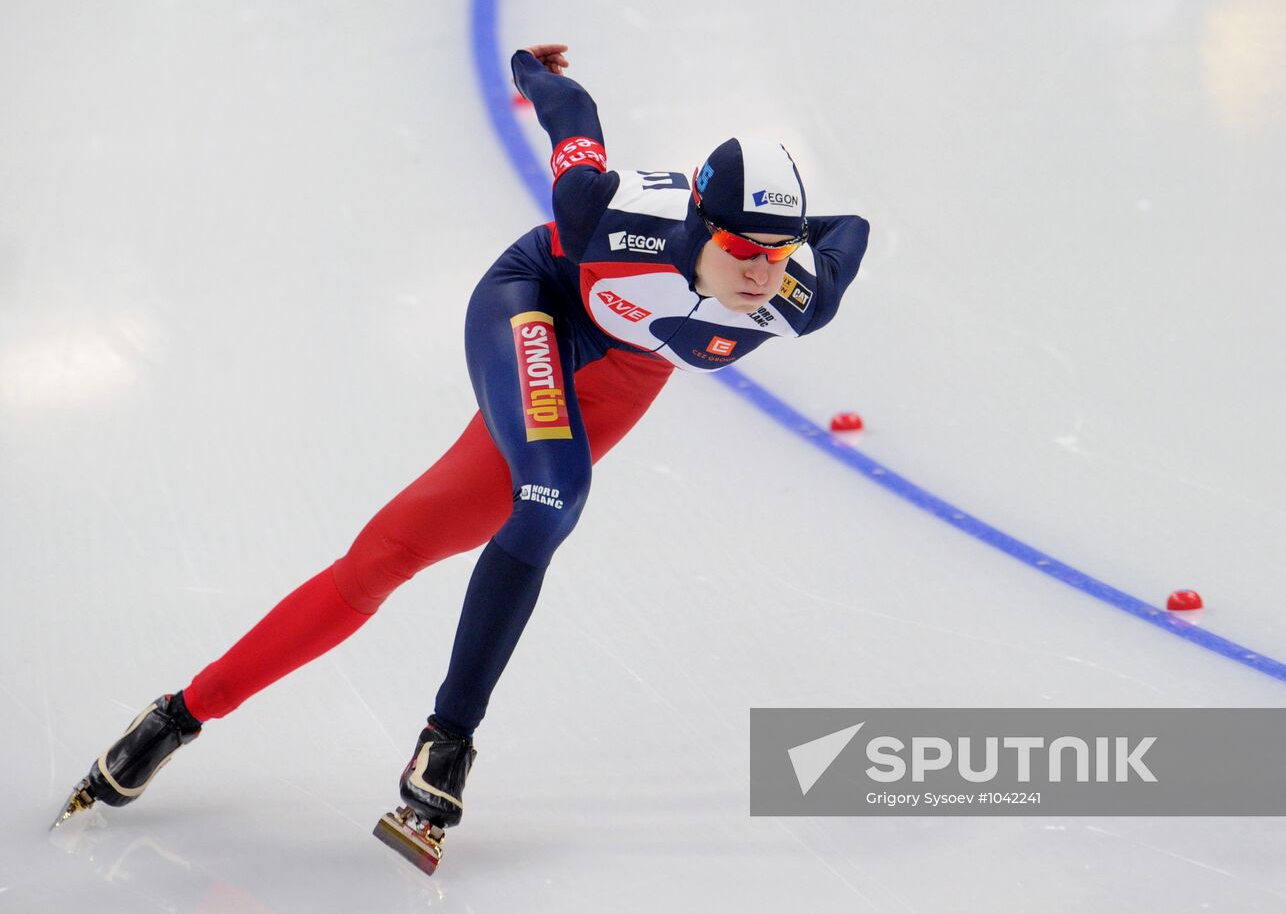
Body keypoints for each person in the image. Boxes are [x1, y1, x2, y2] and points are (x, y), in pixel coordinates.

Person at [55, 44, 870, 872]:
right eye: (742, 249)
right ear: (700, 223)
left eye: (778, 252)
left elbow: (850, 231)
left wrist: (786, 246)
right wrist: (532, 67)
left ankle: (174, 714)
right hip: (536, 303)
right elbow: (572, 122)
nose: (763, 275)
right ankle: (444, 743)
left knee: (388, 552)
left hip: (626, 372)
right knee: (554, 492)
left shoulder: (801, 293)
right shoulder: (606, 216)